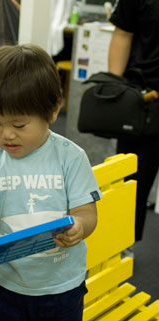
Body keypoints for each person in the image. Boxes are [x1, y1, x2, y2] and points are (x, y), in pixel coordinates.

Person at [0, 44, 101, 321]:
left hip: (63, 289)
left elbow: (87, 213)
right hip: (6, 287)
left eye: (19, 125)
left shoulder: (70, 157)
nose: (6, 135)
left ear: (52, 111)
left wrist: (80, 227)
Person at [108, 0, 159, 242]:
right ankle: (123, 243)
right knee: (132, 181)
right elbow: (123, 32)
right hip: (143, 98)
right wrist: (115, 90)